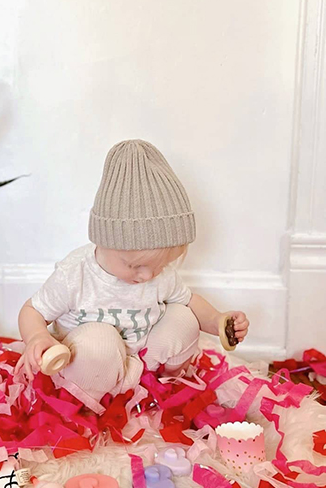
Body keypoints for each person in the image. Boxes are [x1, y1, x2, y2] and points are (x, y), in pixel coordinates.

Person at [15, 140, 249, 407]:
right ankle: (93, 402)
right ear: (103, 241)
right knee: (98, 341)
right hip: (91, 373)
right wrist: (37, 336)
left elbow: (190, 301)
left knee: (184, 317)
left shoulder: (157, 275)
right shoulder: (76, 274)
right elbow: (32, 310)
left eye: (159, 265)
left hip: (143, 367)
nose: (147, 276)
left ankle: (162, 387)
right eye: (134, 265)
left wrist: (218, 320)